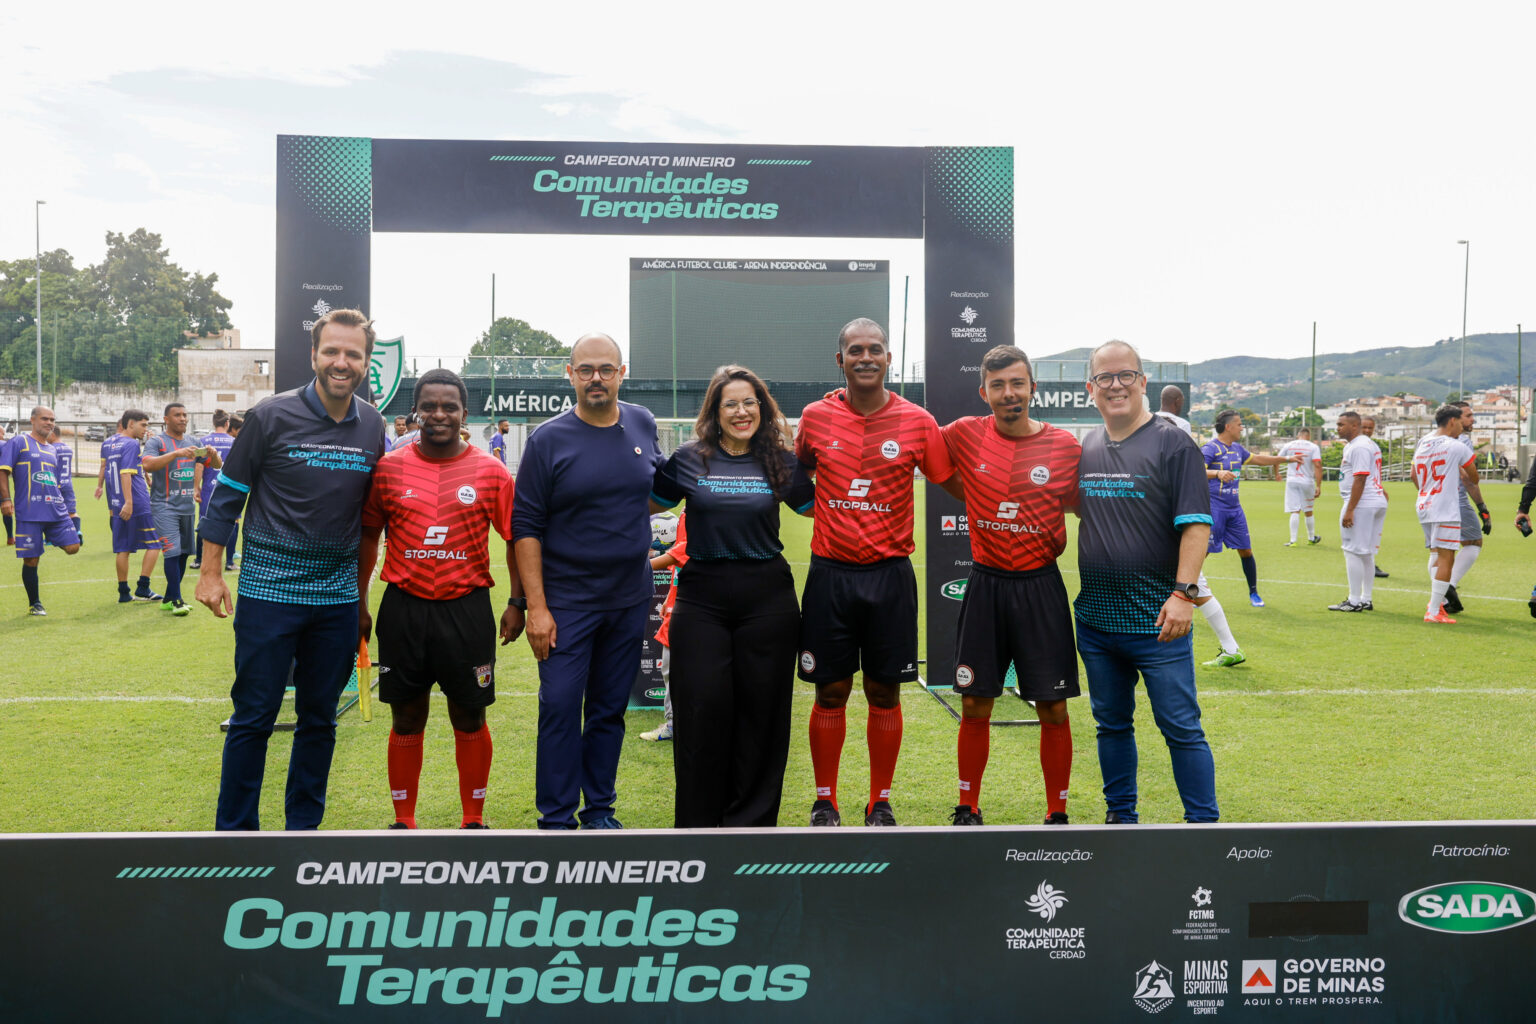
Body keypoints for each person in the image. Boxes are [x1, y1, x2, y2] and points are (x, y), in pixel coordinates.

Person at [196, 308, 389, 831]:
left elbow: (374, 512)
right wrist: (211, 573)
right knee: (253, 717)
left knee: (319, 720)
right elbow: (226, 499)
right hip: (269, 593)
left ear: (366, 362)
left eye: (353, 353)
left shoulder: (373, 424)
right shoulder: (269, 416)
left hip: (336, 601)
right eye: (332, 351)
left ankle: (303, 832)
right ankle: (235, 834)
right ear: (313, 355)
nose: (341, 362)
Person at [794, 317, 956, 828]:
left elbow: (949, 477)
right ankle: (826, 800)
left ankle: (880, 800)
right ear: (839, 360)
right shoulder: (815, 417)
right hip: (830, 576)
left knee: (885, 691)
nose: (867, 357)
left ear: (889, 359)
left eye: (876, 350)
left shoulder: (918, 421)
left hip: (890, 577)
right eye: (856, 350)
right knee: (831, 690)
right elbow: (796, 473)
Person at [358, 368, 524, 829]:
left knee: (468, 713)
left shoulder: (490, 471)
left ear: (464, 414)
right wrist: (359, 603)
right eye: (429, 405)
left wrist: (517, 601)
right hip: (403, 607)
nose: (438, 414)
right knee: (406, 715)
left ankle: (473, 818)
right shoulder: (389, 469)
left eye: (449, 406)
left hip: (467, 609)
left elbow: (515, 538)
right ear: (415, 412)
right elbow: (369, 536)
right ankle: (403, 820)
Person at [651, 366, 814, 827]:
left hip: (768, 599)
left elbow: (824, 508)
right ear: (715, 412)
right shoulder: (688, 459)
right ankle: (699, 829)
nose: (741, 412)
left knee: (763, 718)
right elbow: (637, 503)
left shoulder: (782, 462)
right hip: (702, 599)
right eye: (731, 404)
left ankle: (752, 829)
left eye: (749, 402)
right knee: (701, 712)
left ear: (761, 407)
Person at [512, 332, 661, 830]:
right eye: (585, 369)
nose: (596, 378)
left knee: (608, 711)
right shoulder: (548, 439)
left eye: (606, 369)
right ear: (570, 374)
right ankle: (556, 819)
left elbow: (647, 492)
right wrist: (537, 608)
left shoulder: (642, 421)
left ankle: (599, 811)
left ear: (622, 372)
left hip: (627, 600)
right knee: (558, 707)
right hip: (568, 604)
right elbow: (526, 528)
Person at [1075, 341, 1217, 824]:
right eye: (1105, 378)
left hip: (1158, 622)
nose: (1116, 385)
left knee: (1181, 728)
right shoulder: (1089, 445)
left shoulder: (1172, 443)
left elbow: (1197, 525)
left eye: (1126, 376)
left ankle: (1203, 827)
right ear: (1090, 388)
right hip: (1096, 622)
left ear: (1143, 383)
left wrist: (1183, 595)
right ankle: (1121, 820)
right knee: (1110, 727)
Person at [939, 345, 1082, 826]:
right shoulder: (962, 434)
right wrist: (846, 399)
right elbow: (914, 441)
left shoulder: (1065, 447)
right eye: (998, 385)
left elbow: (1088, 507)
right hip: (986, 585)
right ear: (984, 392)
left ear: (1032, 389)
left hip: (1041, 587)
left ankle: (1057, 812)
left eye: (1017, 383)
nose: (1008, 393)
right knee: (975, 701)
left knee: (1053, 705)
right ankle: (967, 805)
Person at [1155, 406, 1246, 667]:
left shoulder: (1175, 467)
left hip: (1173, 550)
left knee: (1195, 590)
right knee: (1199, 591)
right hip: (1173, 550)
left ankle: (1230, 648)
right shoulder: (1169, 464)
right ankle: (1231, 648)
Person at [1201, 410, 1299, 607]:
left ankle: (1254, 593)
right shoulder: (1211, 448)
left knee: (1246, 550)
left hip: (1235, 509)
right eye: (1239, 424)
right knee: (1201, 553)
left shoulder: (1237, 449)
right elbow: (1197, 471)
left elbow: (1259, 460)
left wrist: (1286, 460)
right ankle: (1187, 590)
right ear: (1228, 427)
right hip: (1214, 508)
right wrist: (1218, 473)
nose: (1241, 428)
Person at [0, 407, 81, 615]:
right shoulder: (19, 442)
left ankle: (44, 538)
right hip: (29, 512)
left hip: (56, 510)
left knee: (74, 546)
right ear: (33, 420)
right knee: (32, 560)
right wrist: (6, 499)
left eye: (52, 419)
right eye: (45, 418)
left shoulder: (52, 449)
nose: (49, 422)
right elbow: (3, 471)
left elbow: (52, 480)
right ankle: (35, 603)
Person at [143, 402, 220, 616]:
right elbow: (147, 464)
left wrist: (213, 454)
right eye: (177, 415)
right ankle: (177, 601)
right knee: (172, 551)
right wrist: (176, 454)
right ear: (166, 419)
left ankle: (168, 598)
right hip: (164, 506)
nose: (183, 418)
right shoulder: (157, 441)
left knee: (184, 553)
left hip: (187, 506)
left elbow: (217, 465)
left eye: (185, 415)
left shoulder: (194, 442)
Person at [1412, 405, 1478, 624]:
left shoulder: (1423, 443)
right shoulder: (1456, 446)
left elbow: (1414, 474)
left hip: (1424, 504)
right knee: (1446, 557)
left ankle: (1436, 604)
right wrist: (1459, 471)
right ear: (1452, 421)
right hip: (1446, 508)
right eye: (1461, 421)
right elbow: (1473, 477)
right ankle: (1434, 609)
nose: (1462, 426)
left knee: (1435, 554)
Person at [97, 410, 163, 602]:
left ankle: (124, 593)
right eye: (143, 425)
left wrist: (115, 503)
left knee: (122, 548)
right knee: (155, 543)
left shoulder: (108, 443)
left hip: (116, 502)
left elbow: (108, 471)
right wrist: (130, 501)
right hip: (136, 501)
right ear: (131, 424)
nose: (146, 429)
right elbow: (126, 473)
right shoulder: (132, 443)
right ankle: (144, 587)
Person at [1329, 411, 1388, 612]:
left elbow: (1361, 478)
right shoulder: (1366, 444)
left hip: (1362, 502)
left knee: (1352, 550)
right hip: (1373, 499)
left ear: (1354, 426)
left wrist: (1350, 509)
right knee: (1366, 553)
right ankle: (1366, 598)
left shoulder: (1360, 446)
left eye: (1341, 424)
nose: (1338, 428)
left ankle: (1354, 601)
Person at [1442, 401, 1493, 613]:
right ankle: (1448, 587)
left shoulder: (1429, 441)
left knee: (1439, 548)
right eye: (1468, 416)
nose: (1473, 420)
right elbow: (1468, 479)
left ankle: (1442, 595)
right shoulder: (1461, 442)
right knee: (1473, 542)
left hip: (1431, 501)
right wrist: (1482, 508)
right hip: (1456, 500)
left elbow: (1414, 473)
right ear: (1455, 419)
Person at [641, 512, 687, 743]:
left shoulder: (699, 508)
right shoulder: (686, 511)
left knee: (672, 668)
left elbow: (683, 551)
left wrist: (644, 565)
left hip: (692, 604)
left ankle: (673, 725)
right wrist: (670, 596)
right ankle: (676, 722)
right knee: (670, 668)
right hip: (679, 600)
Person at [192, 411, 242, 571]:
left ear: (214, 423)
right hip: (229, 488)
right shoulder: (234, 441)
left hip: (208, 488)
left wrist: (196, 487)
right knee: (232, 522)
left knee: (204, 521)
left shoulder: (204, 441)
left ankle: (199, 559)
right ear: (227, 423)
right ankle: (229, 561)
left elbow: (199, 464)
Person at [1275, 427, 1323, 545]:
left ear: (1298, 435)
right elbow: (1317, 465)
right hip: (1307, 481)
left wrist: (1277, 474)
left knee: (1295, 510)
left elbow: (1276, 459)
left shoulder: (1289, 445)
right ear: (1309, 436)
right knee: (1308, 510)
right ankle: (1311, 538)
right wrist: (1319, 485)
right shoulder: (1313, 447)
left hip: (1292, 480)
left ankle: (1293, 540)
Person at [1360, 417, 1391, 578]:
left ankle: (1369, 565)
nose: (1367, 431)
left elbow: (1373, 473)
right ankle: (1366, 566)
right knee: (1362, 537)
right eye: (1364, 427)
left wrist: (1381, 488)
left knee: (1370, 535)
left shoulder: (1373, 446)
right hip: (1364, 497)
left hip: (1373, 494)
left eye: (1370, 428)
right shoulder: (1359, 447)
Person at [46, 426, 80, 544]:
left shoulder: (51, 449)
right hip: (68, 483)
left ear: (53, 434)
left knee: (51, 510)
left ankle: (50, 539)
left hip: (55, 484)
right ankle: (77, 533)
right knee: (71, 511)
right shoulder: (68, 448)